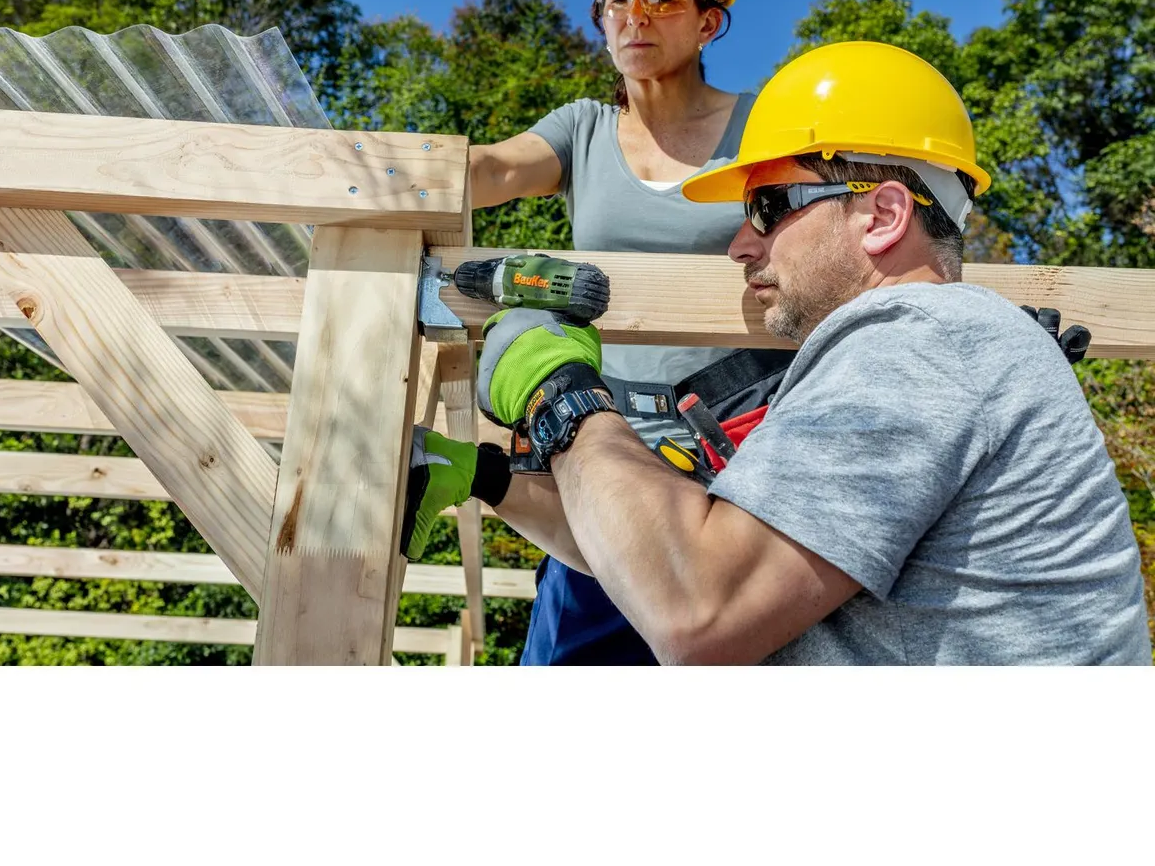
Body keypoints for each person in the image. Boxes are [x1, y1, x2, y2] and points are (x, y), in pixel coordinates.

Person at [406, 40, 1152, 665]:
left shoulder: (921, 345)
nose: (739, 244)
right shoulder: (914, 354)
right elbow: (657, 554)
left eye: (768, 208)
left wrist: (559, 393)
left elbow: (696, 607)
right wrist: (494, 474)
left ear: (883, 214)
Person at [464, 0, 793, 665]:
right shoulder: (582, 130)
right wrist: (383, 174)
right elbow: (498, 168)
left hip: (748, 448)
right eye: (617, 0)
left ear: (709, 21)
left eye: (660, 0)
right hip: (608, 452)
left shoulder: (761, 131)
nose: (632, 17)